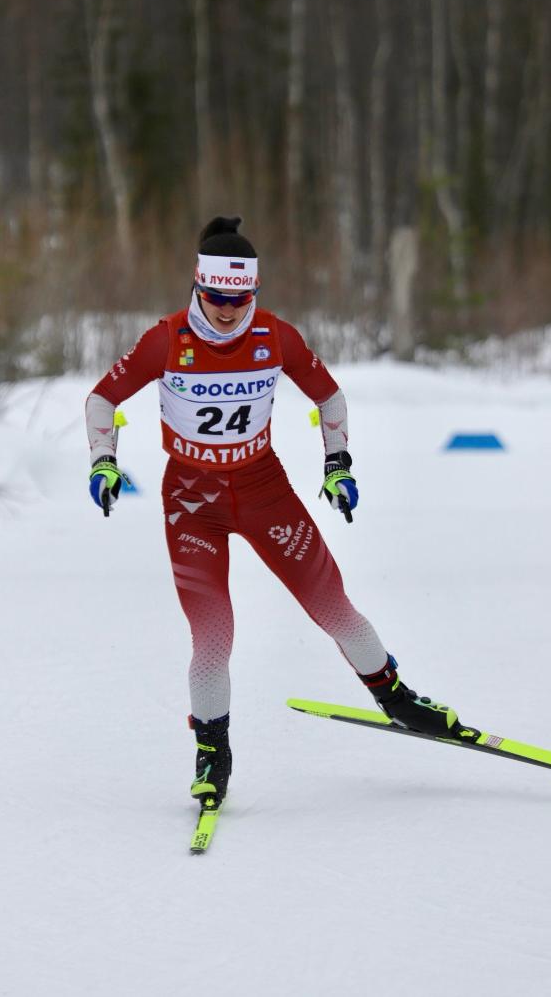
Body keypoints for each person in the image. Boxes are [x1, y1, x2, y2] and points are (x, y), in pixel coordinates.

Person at [85, 216, 474, 811]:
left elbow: (330, 396)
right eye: (216, 298)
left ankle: (398, 700)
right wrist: (103, 462)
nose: (226, 311)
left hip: (264, 492)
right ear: (197, 286)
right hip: (192, 502)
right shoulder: (166, 340)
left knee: (334, 607)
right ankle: (212, 752)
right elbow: (101, 398)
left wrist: (337, 465)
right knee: (213, 636)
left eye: (239, 299)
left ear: (254, 292)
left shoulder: (276, 336)